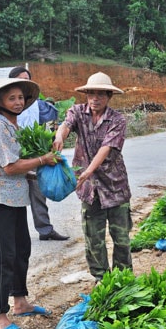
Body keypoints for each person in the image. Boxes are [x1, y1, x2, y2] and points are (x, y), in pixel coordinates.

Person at [0, 77, 60, 329]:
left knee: (21, 250)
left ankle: (20, 302)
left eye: (20, 98)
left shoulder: (14, 126)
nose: (17, 102)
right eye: (11, 98)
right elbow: (10, 166)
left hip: (16, 198)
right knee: (4, 257)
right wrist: (41, 159)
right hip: (0, 198)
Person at [53, 72, 132, 282]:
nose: (94, 98)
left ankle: (123, 279)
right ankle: (101, 279)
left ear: (109, 96)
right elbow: (66, 124)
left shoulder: (117, 120)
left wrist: (89, 170)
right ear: (86, 95)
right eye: (91, 94)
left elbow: (107, 148)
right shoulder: (78, 112)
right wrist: (60, 136)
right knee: (93, 237)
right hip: (89, 189)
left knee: (121, 237)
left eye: (100, 94)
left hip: (115, 186)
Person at [8, 66, 69, 241]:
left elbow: (48, 124)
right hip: (13, 154)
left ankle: (45, 229)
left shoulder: (37, 104)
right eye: (21, 79)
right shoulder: (6, 104)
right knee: (13, 193)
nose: (25, 83)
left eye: (27, 79)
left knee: (38, 191)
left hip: (34, 152)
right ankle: (13, 233)